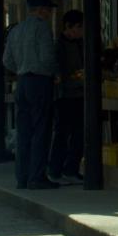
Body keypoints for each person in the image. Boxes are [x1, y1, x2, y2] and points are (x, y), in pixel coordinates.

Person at [2, 0, 57, 189]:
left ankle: (22, 177)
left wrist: (21, 67)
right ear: (42, 10)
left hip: (22, 82)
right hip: (39, 81)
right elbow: (48, 56)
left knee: (24, 132)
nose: (50, 15)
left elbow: (6, 60)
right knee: (41, 130)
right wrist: (51, 72)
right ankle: (37, 177)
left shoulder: (15, 30)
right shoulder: (41, 27)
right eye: (49, 11)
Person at [49, 9, 86, 184]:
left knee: (80, 133)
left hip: (80, 93)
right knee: (62, 134)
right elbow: (57, 72)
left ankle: (71, 168)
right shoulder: (59, 45)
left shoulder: (81, 43)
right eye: (78, 27)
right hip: (64, 95)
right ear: (68, 27)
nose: (80, 31)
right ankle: (55, 170)